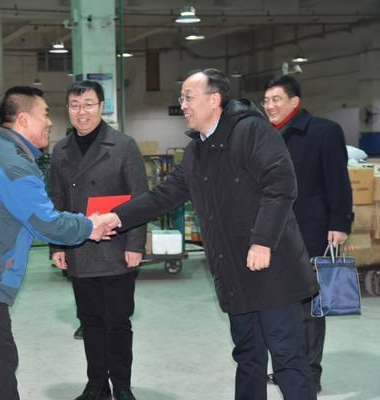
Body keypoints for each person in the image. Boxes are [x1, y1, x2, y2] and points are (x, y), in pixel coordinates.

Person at [99, 69, 319, 400]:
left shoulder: (251, 131)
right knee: (248, 356)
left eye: (189, 97)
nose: (183, 105)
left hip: (272, 269)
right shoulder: (197, 151)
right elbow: (164, 195)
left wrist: (262, 240)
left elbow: (281, 185)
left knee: (287, 358)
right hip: (234, 272)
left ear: (214, 99)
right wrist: (116, 217)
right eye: (182, 98)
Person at [0, 86, 111, 400]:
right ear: (24, 120)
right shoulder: (11, 164)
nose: (50, 122)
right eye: (45, 115)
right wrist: (90, 226)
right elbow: (45, 222)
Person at [48, 80, 148, 400]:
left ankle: (122, 385)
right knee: (89, 321)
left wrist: (135, 245)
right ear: (68, 109)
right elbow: (56, 201)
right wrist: (57, 245)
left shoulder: (123, 145)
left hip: (117, 247)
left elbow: (140, 199)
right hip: (80, 247)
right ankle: (96, 385)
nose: (82, 112)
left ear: (102, 106)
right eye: (75, 105)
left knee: (118, 321)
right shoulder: (60, 150)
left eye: (89, 104)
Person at [262, 75, 353, 394]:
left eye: (276, 99)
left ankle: (309, 374)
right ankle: (288, 369)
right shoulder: (266, 135)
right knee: (280, 307)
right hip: (273, 235)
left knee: (310, 309)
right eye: (266, 100)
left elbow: (338, 182)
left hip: (311, 233)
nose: (269, 106)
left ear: (294, 102)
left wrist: (340, 223)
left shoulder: (324, 132)